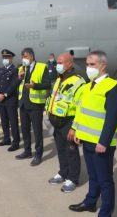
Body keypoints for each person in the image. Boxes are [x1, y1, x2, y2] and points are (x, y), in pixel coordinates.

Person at [68, 51, 117, 216]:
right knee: (93, 176)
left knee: (105, 180)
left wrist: (104, 142)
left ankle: (106, 212)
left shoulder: (112, 87)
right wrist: (77, 130)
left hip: (102, 144)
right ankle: (90, 202)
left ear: (103, 65)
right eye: (87, 64)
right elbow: (81, 111)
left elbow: (112, 118)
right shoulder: (87, 86)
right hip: (86, 140)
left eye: (92, 64)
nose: (88, 68)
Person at [46, 53, 85, 193]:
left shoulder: (78, 81)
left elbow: (81, 107)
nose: (58, 65)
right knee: (61, 149)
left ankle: (73, 178)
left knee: (71, 151)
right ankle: (63, 173)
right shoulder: (59, 79)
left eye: (61, 62)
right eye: (57, 62)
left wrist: (74, 128)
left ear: (70, 64)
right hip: (57, 122)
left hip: (69, 122)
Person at [16, 48, 51, 166]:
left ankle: (38, 154)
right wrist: (19, 78)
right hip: (23, 104)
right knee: (25, 130)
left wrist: (35, 86)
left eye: (25, 56)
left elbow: (47, 84)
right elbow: (17, 84)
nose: (23, 59)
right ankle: (27, 151)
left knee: (37, 131)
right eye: (22, 57)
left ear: (32, 56)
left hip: (35, 105)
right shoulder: (21, 68)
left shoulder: (42, 67)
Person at [0, 49, 20, 151]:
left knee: (13, 122)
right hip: (1, 100)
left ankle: (16, 142)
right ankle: (6, 138)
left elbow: (14, 85)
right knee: (4, 121)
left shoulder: (15, 70)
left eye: (7, 57)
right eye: (3, 57)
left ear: (11, 58)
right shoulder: (0, 70)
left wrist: (4, 94)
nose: (5, 59)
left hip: (10, 100)